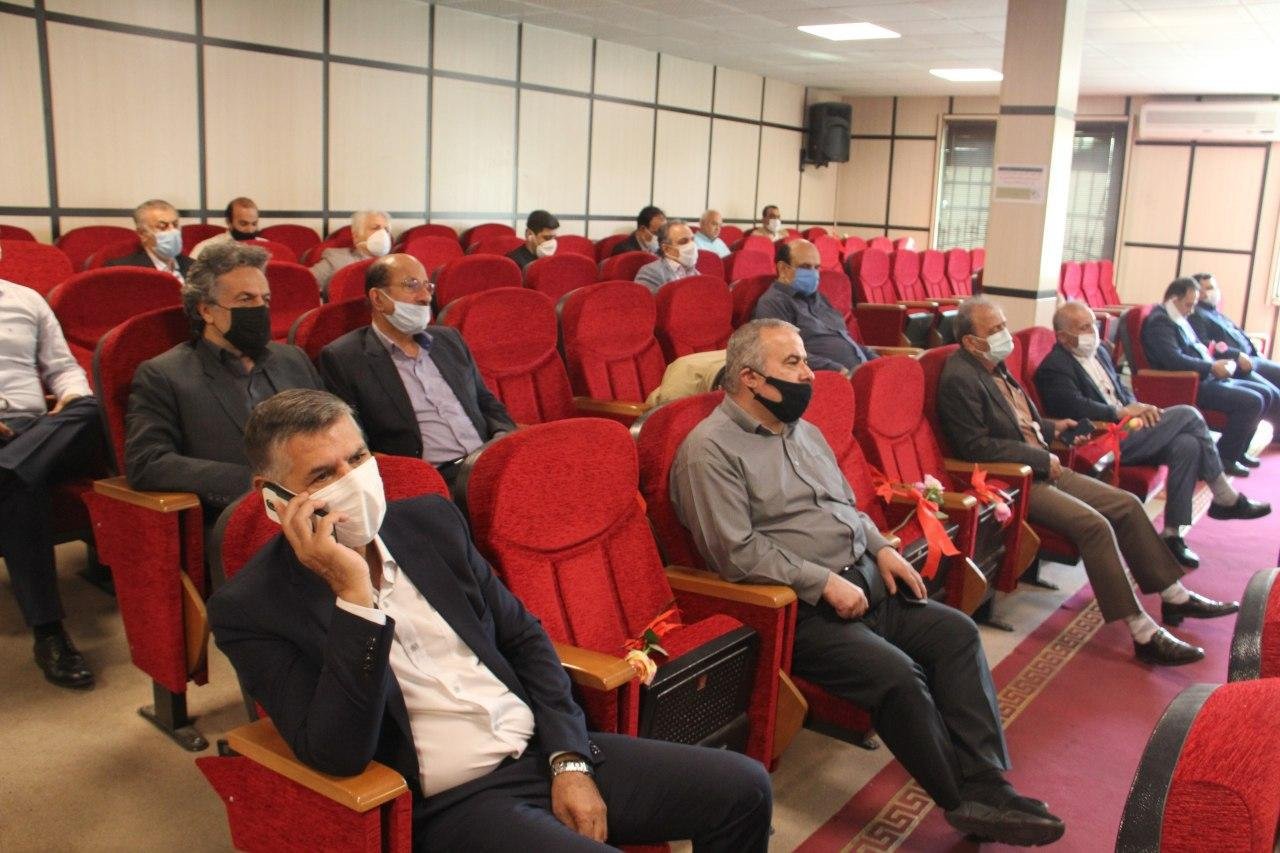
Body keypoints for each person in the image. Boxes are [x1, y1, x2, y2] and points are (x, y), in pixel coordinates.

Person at [208, 388, 773, 852]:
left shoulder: (429, 523)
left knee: (744, 788)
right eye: (321, 476)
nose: (351, 480)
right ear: (273, 499)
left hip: (541, 749)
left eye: (357, 459)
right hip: (452, 803)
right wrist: (355, 599)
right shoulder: (251, 608)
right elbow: (337, 752)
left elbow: (525, 639)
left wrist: (569, 760)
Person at [671, 319, 1064, 847]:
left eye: (806, 360)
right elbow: (734, 552)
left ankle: (988, 782)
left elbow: (847, 509)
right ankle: (960, 800)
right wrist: (822, 582)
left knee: (957, 635)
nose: (809, 374)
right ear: (750, 378)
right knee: (897, 676)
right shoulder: (709, 450)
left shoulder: (803, 432)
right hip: (800, 612)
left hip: (866, 580)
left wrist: (882, 548)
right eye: (793, 363)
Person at [937, 297, 1238, 667]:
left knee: (1126, 505)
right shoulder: (960, 377)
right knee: (1095, 526)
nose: (1005, 334)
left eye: (1003, 325)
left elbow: (1021, 422)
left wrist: (1053, 428)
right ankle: (1142, 631)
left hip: (1043, 466)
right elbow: (974, 446)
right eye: (995, 329)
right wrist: (1039, 458)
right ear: (971, 341)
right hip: (1014, 481)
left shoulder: (994, 365)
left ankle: (1174, 595)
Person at [1035, 302, 1270, 567]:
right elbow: (1073, 407)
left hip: (1128, 427)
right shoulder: (1054, 366)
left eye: (1093, 325)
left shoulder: (1099, 351)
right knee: (1188, 414)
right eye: (1084, 327)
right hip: (1101, 439)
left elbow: (1121, 389)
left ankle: (1172, 535)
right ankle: (1224, 495)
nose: (1093, 332)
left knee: (1187, 444)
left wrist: (1138, 407)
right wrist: (1121, 412)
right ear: (1063, 337)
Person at [125, 242, 323, 525]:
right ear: (206, 310)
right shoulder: (164, 374)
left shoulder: (292, 359)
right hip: (239, 517)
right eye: (245, 299)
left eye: (265, 299)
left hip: (319, 505)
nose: (259, 308)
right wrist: (254, 483)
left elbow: (332, 427)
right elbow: (147, 462)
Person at [318, 253, 514, 488]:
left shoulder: (449, 339)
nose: (425, 297)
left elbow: (486, 402)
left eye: (427, 286)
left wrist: (504, 439)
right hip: (435, 480)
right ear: (378, 299)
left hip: (491, 460)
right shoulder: (344, 358)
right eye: (411, 285)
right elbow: (354, 444)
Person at [0, 256, 106, 689]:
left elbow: (62, 368)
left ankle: (9, 469)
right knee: (23, 486)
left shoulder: (26, 300)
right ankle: (49, 633)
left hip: (38, 429)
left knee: (92, 407)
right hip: (29, 448)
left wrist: (70, 396)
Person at [1141, 277, 1276, 469]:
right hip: (1189, 384)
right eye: (1189, 304)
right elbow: (1173, 360)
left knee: (1266, 393)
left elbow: (1198, 347)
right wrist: (1211, 367)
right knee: (1253, 401)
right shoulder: (1160, 322)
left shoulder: (1177, 316)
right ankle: (1225, 459)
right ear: (1173, 299)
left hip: (1207, 376)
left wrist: (1217, 363)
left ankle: (1239, 452)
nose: (1191, 310)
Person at [753, 240, 876, 375]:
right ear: (783, 268)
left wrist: (876, 361)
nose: (813, 273)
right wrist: (838, 370)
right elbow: (784, 352)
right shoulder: (773, 302)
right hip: (826, 378)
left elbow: (845, 338)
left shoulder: (819, 298)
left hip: (860, 372)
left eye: (816, 267)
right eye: (805, 267)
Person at [1189, 271, 1280, 403]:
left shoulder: (1213, 311)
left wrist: (1254, 350)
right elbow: (1206, 344)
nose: (1215, 291)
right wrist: (1236, 355)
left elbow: (1238, 333)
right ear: (1197, 292)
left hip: (1253, 358)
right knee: (1274, 397)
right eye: (1209, 288)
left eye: (1215, 287)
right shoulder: (1196, 314)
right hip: (1236, 365)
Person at [310, 210, 392, 297]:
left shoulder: (396, 263)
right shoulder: (336, 259)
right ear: (356, 236)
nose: (383, 234)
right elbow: (304, 282)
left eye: (386, 230)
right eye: (376, 228)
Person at [107, 198, 192, 281]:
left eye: (175, 224)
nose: (172, 231)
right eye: (162, 226)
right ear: (142, 233)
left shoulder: (194, 267)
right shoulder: (122, 271)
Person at [634, 220, 698, 293]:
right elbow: (650, 300)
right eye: (683, 241)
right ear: (667, 249)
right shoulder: (650, 272)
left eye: (692, 240)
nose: (692, 245)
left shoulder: (695, 272)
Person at [190, 197, 260, 258]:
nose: (250, 230)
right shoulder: (207, 248)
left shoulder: (263, 246)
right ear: (228, 222)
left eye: (254, 224)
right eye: (243, 224)